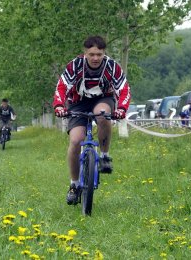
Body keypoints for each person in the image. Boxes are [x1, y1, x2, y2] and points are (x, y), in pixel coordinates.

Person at [52, 35, 131, 205]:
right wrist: (59, 106)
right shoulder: (75, 66)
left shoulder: (112, 67)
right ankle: (74, 185)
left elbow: (124, 88)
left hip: (103, 99)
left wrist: (121, 109)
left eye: (99, 55)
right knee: (76, 140)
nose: (95, 58)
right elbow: (62, 86)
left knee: (101, 114)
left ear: (104, 54)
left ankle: (104, 156)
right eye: (92, 54)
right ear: (85, 53)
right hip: (78, 102)